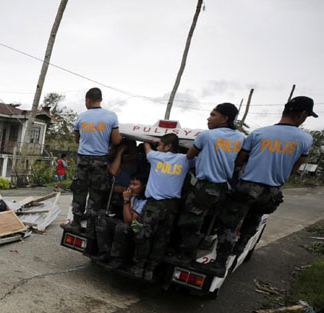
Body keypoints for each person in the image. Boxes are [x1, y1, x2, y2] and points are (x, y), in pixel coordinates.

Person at [207, 96, 317, 277]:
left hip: (247, 186)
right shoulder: (305, 139)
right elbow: (295, 167)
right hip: (272, 189)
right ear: (302, 114)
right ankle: (240, 247)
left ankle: (219, 263)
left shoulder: (258, 134)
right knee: (254, 218)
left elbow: (240, 160)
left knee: (229, 224)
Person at [171, 103, 246, 265]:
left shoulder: (207, 135)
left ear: (225, 118)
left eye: (213, 115)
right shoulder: (241, 138)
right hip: (224, 187)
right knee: (221, 224)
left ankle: (186, 256)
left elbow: (190, 156)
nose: (208, 118)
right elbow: (239, 163)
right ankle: (220, 260)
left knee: (190, 221)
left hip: (205, 186)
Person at [131, 133, 194, 281]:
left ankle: (139, 266)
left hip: (153, 205)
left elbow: (147, 146)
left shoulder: (155, 157)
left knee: (144, 235)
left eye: (159, 145)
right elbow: (196, 154)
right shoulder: (185, 160)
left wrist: (149, 140)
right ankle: (150, 270)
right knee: (161, 238)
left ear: (168, 146)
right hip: (171, 207)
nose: (157, 147)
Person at [61, 88, 121, 235]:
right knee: (96, 192)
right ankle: (91, 227)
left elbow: (77, 139)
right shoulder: (111, 116)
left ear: (88, 100)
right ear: (100, 99)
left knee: (79, 190)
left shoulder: (81, 117)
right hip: (100, 160)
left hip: (83, 159)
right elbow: (116, 140)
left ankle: (76, 222)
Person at [94, 171, 148, 266]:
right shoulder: (132, 195)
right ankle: (105, 253)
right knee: (101, 220)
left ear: (143, 186)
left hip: (136, 229)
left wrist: (127, 201)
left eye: (135, 185)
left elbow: (129, 221)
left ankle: (118, 258)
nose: (131, 187)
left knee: (122, 227)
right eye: (131, 184)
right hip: (125, 222)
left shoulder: (144, 201)